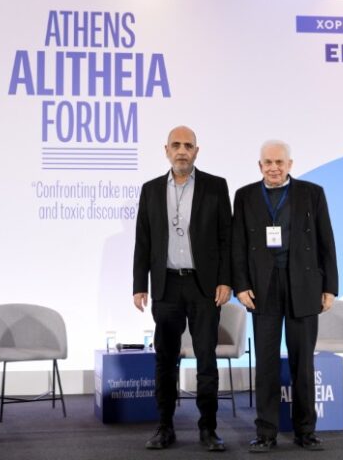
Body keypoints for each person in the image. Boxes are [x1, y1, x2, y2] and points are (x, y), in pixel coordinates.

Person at [232, 140, 338, 452]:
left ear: (290, 164)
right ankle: (266, 433)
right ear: (260, 166)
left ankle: (306, 431)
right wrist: (240, 286)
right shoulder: (245, 196)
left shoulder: (312, 193)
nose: (274, 168)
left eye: (279, 162)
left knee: (302, 363)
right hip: (262, 289)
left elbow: (326, 241)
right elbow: (238, 245)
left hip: (303, 286)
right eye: (268, 162)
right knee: (265, 363)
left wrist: (329, 287)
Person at [133, 125, 232, 452]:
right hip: (166, 286)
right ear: (166, 150)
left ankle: (208, 429)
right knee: (165, 360)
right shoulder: (150, 190)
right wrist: (139, 284)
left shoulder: (216, 186)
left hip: (204, 287)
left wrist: (226, 279)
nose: (182, 151)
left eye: (188, 146)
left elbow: (226, 238)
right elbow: (143, 240)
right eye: (176, 145)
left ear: (196, 151)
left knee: (206, 360)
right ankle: (164, 427)